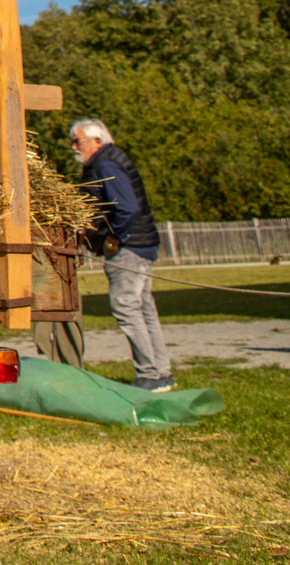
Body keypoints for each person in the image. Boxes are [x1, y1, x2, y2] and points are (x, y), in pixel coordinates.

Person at [71, 118, 174, 392]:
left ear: (97, 141)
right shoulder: (110, 160)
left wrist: (114, 240)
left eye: (77, 141)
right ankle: (161, 372)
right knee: (144, 308)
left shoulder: (105, 165)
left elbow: (127, 209)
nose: (74, 147)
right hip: (143, 244)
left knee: (127, 307)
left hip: (129, 248)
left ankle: (149, 375)